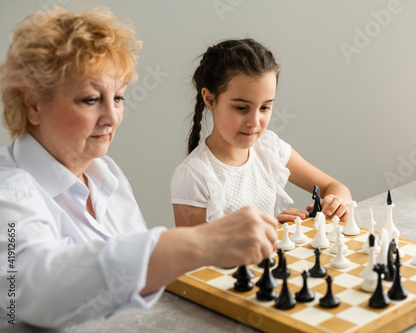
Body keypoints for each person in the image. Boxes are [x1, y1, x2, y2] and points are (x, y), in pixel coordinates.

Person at [0, 7, 278, 329]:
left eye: (118, 98)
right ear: (33, 104)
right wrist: (199, 244)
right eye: (90, 99)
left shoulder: (106, 173)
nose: (112, 117)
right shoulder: (8, 191)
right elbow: (30, 290)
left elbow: (137, 291)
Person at [171, 39, 352, 227]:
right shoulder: (193, 175)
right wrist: (269, 229)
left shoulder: (270, 147)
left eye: (265, 107)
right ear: (210, 100)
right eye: (241, 108)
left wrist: (337, 203)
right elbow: (195, 255)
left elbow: (336, 187)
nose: (254, 122)